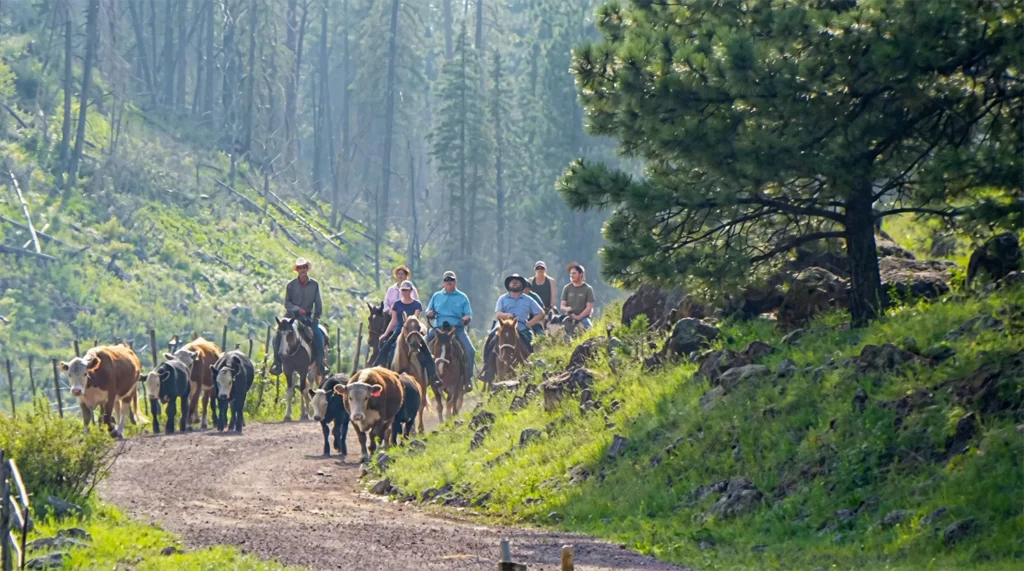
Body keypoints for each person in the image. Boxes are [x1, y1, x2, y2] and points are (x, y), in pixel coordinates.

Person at [480, 274, 545, 383]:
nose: (514, 282)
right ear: (509, 284)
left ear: (521, 285)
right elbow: (498, 314)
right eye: (512, 281)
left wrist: (531, 322)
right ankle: (487, 369)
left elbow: (541, 313)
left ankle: (532, 368)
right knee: (491, 339)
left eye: (517, 281)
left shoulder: (528, 299)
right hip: (503, 326)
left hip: (521, 326)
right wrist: (507, 315)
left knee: (531, 344)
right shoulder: (503, 298)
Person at [372, 280, 439, 384]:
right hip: (400, 329)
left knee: (426, 352)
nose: (404, 292)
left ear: (411, 291)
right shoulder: (396, 304)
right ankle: (377, 371)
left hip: (414, 330)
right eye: (402, 290)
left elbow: (415, 318)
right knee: (387, 349)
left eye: (406, 290)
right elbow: (394, 321)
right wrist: (385, 334)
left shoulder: (417, 304)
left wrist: (416, 328)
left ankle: (433, 376)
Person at [271, 257, 327, 376]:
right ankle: (277, 363)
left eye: (304, 267)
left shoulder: (314, 285)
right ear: (297, 270)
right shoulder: (290, 285)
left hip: (307, 317)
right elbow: (287, 303)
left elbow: (318, 302)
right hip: (291, 316)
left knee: (318, 335)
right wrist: (297, 309)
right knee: (277, 336)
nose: (302, 270)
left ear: (307, 269)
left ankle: (321, 364)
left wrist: (316, 317)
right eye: (300, 268)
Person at [425, 271, 475, 392]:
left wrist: (466, 318)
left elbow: (468, 313)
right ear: (443, 282)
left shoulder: (462, 297)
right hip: (438, 329)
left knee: (470, 350)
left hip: (456, 328)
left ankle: (467, 379)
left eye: (451, 280)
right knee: (421, 346)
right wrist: (430, 313)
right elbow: (428, 311)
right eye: (447, 281)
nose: (449, 283)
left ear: (455, 282)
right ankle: (423, 377)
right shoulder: (436, 296)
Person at [560, 262, 595, 330]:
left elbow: (589, 308)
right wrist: (567, 309)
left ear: (581, 274)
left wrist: (578, 317)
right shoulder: (567, 288)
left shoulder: (588, 289)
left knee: (590, 329)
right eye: (570, 273)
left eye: (574, 273)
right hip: (569, 316)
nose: (572, 275)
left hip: (583, 317)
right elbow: (562, 306)